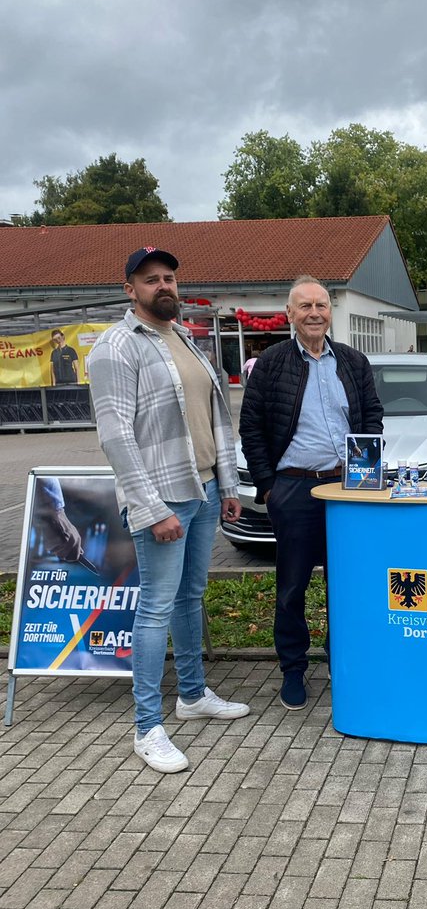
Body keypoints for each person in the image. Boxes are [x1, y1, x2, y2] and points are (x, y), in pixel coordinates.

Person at [89, 246, 249, 774]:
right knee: (156, 605)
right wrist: (151, 507)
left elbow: (215, 417)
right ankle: (146, 727)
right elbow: (114, 436)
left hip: (201, 488)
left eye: (170, 278)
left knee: (191, 596)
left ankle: (193, 696)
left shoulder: (183, 337)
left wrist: (226, 482)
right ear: (129, 288)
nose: (165, 286)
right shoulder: (115, 347)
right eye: (152, 279)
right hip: (163, 495)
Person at [240, 278, 383, 711]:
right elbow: (251, 428)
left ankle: (341, 659)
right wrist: (268, 487)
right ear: (289, 313)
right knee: (292, 586)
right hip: (295, 487)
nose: (315, 312)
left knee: (347, 581)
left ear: (330, 312)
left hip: (346, 487)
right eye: (305, 305)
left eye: (322, 304)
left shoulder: (354, 362)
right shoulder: (270, 363)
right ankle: (293, 670)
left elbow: (373, 415)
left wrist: (365, 464)